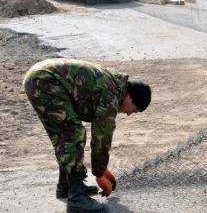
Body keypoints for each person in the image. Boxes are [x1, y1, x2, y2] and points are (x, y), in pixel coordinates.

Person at [23, 58, 151, 212]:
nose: (130, 114)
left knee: (65, 135)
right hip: (45, 81)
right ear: (130, 97)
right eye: (135, 109)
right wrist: (99, 173)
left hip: (42, 78)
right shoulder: (111, 96)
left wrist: (102, 170)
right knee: (73, 135)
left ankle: (67, 187)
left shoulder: (114, 86)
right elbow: (101, 138)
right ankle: (77, 199)